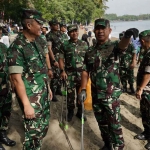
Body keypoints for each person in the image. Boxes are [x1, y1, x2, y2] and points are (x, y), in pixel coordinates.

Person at [78, 18, 138, 150]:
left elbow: (123, 46)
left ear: (109, 30)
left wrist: (127, 36)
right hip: (96, 95)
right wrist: (83, 89)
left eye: (103, 28)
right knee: (102, 123)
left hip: (111, 96)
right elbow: (85, 71)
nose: (100, 31)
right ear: (94, 31)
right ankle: (107, 144)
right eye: (97, 29)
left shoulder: (114, 47)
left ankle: (118, 146)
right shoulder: (90, 51)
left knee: (114, 125)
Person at [7, 8, 52, 150]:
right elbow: (15, 79)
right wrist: (26, 105)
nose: (42, 27)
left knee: (43, 129)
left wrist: (48, 88)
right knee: (33, 136)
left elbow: (42, 69)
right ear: (29, 25)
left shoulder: (37, 42)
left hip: (43, 94)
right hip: (31, 98)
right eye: (39, 24)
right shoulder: (17, 47)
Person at [59, 24, 88, 122]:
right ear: (68, 33)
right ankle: (70, 112)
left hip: (82, 76)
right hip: (70, 75)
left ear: (78, 31)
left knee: (81, 94)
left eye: (75, 31)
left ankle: (80, 112)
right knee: (70, 96)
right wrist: (62, 71)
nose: (74, 33)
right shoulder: (65, 45)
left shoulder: (84, 44)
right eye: (71, 32)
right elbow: (61, 59)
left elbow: (88, 60)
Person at [135, 30, 150, 150]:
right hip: (146, 90)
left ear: (143, 40)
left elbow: (148, 75)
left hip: (148, 89)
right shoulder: (147, 52)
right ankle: (147, 132)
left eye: (141, 41)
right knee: (145, 113)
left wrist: (140, 88)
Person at [0, 42, 16, 150]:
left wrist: (12, 81)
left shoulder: (3, 46)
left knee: (5, 112)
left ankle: (2, 134)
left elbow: (9, 65)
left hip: (5, 87)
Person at [46, 19, 63, 101]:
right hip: (54, 57)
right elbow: (49, 49)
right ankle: (53, 92)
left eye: (57, 24)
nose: (57, 26)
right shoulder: (49, 35)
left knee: (60, 74)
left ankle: (59, 89)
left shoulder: (60, 33)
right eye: (55, 24)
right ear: (51, 26)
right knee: (55, 76)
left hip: (61, 57)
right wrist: (53, 60)